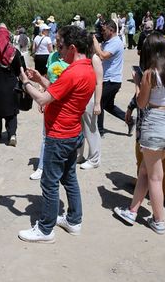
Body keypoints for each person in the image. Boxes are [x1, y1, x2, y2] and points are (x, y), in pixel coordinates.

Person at [17, 25, 96, 243]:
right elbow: (59, 91)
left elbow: (43, 99)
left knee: (49, 183)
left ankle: (45, 229)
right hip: (73, 133)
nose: (57, 50)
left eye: (60, 45)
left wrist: (25, 83)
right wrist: (40, 80)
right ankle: (73, 220)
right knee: (69, 177)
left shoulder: (72, 72)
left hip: (59, 135)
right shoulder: (87, 68)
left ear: (72, 47)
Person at [114, 33, 165, 235]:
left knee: (155, 176)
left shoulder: (150, 73)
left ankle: (158, 220)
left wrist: (137, 83)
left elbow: (142, 103)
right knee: (145, 171)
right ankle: (132, 210)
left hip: (156, 124)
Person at [29, 50, 70, 180]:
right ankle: (42, 167)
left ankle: (64, 167)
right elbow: (47, 76)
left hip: (67, 102)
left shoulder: (73, 59)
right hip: (51, 98)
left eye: (60, 40)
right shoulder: (52, 55)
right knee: (46, 135)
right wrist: (42, 91)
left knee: (66, 136)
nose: (57, 43)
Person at [93, 20, 128, 137]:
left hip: (112, 80)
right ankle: (130, 120)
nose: (102, 33)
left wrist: (94, 41)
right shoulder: (107, 42)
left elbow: (103, 56)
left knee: (100, 102)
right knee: (108, 105)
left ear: (111, 30)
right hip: (107, 79)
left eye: (104, 30)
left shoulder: (116, 42)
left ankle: (99, 130)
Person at [77, 37, 104, 170]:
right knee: (81, 128)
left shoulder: (95, 58)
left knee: (91, 129)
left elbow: (99, 82)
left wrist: (97, 103)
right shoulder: (85, 57)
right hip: (82, 97)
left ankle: (94, 159)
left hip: (91, 97)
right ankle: (79, 155)